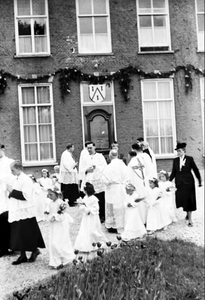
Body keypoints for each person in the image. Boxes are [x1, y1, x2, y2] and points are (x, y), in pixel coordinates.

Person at [7, 161, 45, 265]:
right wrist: (10, 193)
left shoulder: (26, 180)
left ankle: (34, 250)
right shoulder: (16, 178)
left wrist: (12, 192)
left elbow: (26, 196)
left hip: (25, 210)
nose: (11, 172)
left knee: (28, 233)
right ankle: (22, 255)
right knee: (18, 233)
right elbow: (13, 191)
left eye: (13, 170)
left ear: (19, 169)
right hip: (17, 210)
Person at [169, 142, 202, 227]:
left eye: (179, 151)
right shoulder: (175, 160)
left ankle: (190, 219)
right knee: (183, 199)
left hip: (189, 182)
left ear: (184, 151)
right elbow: (173, 172)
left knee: (189, 200)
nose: (178, 153)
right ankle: (187, 213)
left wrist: (199, 180)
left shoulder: (190, 159)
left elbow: (195, 169)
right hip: (179, 183)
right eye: (177, 151)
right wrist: (168, 181)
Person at [46, 186, 75, 269]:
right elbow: (50, 212)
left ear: (57, 194)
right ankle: (56, 261)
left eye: (51, 194)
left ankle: (66, 258)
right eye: (48, 195)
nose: (49, 196)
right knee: (53, 242)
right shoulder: (50, 203)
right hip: (54, 225)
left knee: (59, 241)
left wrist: (56, 217)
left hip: (60, 225)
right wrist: (50, 217)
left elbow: (62, 216)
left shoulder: (61, 203)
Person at [74, 182, 107, 252]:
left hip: (93, 217)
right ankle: (84, 245)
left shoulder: (94, 199)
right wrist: (82, 205)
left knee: (93, 230)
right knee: (85, 230)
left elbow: (96, 208)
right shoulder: (85, 197)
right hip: (86, 217)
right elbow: (84, 204)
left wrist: (89, 210)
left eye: (85, 190)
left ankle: (98, 242)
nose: (84, 191)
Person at [102, 149, 130, 233]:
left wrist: (108, 182)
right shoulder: (123, 165)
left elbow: (104, 179)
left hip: (112, 188)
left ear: (110, 156)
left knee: (112, 206)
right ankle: (121, 224)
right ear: (117, 155)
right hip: (121, 188)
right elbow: (128, 177)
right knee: (120, 206)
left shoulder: (108, 167)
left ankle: (112, 226)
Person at [81, 142, 107, 222]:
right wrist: (86, 170)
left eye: (90, 148)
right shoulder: (85, 157)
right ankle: (91, 214)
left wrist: (97, 167)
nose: (89, 149)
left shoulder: (99, 156)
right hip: (89, 179)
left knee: (100, 198)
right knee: (91, 198)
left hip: (98, 179)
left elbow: (104, 166)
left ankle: (101, 215)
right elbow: (81, 168)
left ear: (94, 147)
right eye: (88, 148)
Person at [0, 144, 14, 257]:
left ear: (2, 149)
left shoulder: (9, 162)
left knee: (5, 221)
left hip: (6, 196)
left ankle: (7, 247)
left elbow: (12, 177)